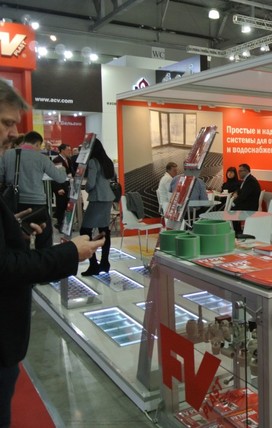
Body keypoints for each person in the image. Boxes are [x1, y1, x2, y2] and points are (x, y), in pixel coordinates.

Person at [0, 78, 104, 427]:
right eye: (6, 122)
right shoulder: (37, 157)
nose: (13, 133)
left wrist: (10, 230)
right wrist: (71, 253)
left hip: (17, 206)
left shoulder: (8, 157)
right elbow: (7, 267)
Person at [0, 130, 67, 249]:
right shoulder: (41, 158)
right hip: (37, 205)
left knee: (19, 238)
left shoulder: (7, 154)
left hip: (13, 203)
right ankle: (42, 259)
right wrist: (62, 169)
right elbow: (60, 178)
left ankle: (22, 259)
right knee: (44, 239)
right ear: (37, 144)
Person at [80, 138, 116, 276]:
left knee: (85, 230)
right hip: (107, 198)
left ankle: (93, 264)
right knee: (104, 230)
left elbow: (91, 184)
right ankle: (105, 263)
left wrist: (85, 188)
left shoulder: (93, 162)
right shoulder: (107, 161)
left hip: (97, 199)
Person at [230, 164, 261, 234]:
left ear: (246, 171)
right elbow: (240, 190)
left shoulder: (251, 181)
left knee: (231, 210)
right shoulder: (247, 179)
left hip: (250, 207)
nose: (238, 173)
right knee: (232, 208)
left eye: (240, 171)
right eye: (238, 171)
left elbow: (243, 196)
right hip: (247, 204)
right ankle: (237, 230)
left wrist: (233, 203)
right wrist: (236, 192)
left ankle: (236, 231)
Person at [51, 143, 73, 231]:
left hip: (68, 186)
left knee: (68, 207)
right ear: (62, 150)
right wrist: (58, 188)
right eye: (68, 150)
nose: (69, 151)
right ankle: (60, 225)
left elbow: (70, 171)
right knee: (61, 207)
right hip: (61, 187)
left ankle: (67, 225)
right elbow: (55, 175)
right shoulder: (57, 160)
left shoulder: (68, 159)